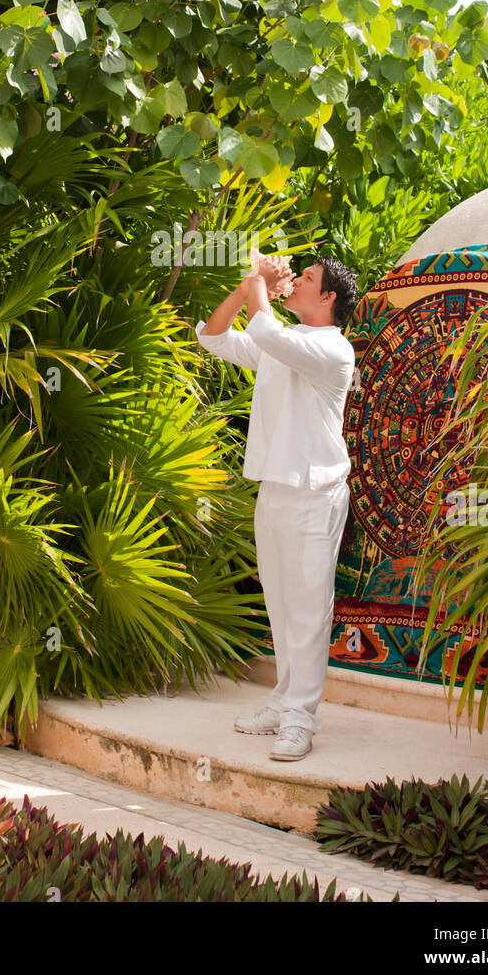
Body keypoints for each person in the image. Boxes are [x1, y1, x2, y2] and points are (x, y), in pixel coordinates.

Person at [195, 253, 359, 761]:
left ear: (327, 297)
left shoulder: (333, 349)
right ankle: (284, 702)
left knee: (309, 609)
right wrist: (248, 288)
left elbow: (266, 334)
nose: (298, 282)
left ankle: (300, 721)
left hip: (316, 492)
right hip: (275, 488)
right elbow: (214, 337)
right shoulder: (282, 341)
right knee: (281, 605)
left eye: (308, 279)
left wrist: (258, 284)